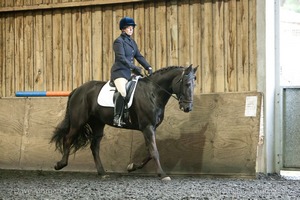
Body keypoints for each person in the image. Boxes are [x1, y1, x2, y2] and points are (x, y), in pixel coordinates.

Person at [111, 16, 153, 127]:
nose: (131, 29)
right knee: (123, 91)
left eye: (132, 28)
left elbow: (138, 56)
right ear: (123, 29)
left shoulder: (132, 42)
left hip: (129, 73)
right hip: (119, 72)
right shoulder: (118, 42)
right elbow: (121, 58)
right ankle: (117, 117)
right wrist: (134, 67)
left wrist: (148, 67)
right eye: (129, 27)